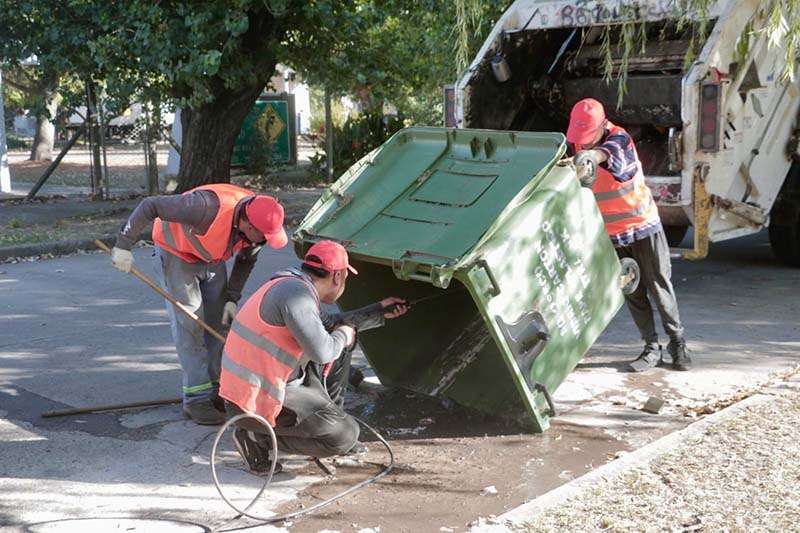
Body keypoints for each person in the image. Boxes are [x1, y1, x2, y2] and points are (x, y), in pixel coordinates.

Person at [219, 240, 408, 473]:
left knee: (342, 342)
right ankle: (257, 437)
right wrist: (344, 334)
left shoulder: (293, 286)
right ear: (338, 276)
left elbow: (329, 325)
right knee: (345, 435)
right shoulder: (295, 296)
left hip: (253, 390)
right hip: (253, 401)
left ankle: (327, 417)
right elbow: (323, 352)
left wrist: (378, 311)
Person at [111, 183, 288, 424]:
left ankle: (218, 389)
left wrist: (232, 297)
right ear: (248, 225)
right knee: (191, 326)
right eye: (264, 236)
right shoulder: (204, 207)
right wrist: (123, 245)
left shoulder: (258, 218)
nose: (265, 241)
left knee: (219, 325)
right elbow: (150, 205)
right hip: (176, 255)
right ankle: (196, 399)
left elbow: (247, 259)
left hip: (211, 257)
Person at [566, 98, 691, 372]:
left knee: (659, 286)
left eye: (588, 137)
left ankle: (677, 343)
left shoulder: (619, 140)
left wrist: (591, 157)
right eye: (579, 138)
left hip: (642, 227)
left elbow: (609, 157)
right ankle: (651, 347)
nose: (582, 143)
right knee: (632, 290)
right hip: (612, 235)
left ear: (603, 126)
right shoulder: (577, 146)